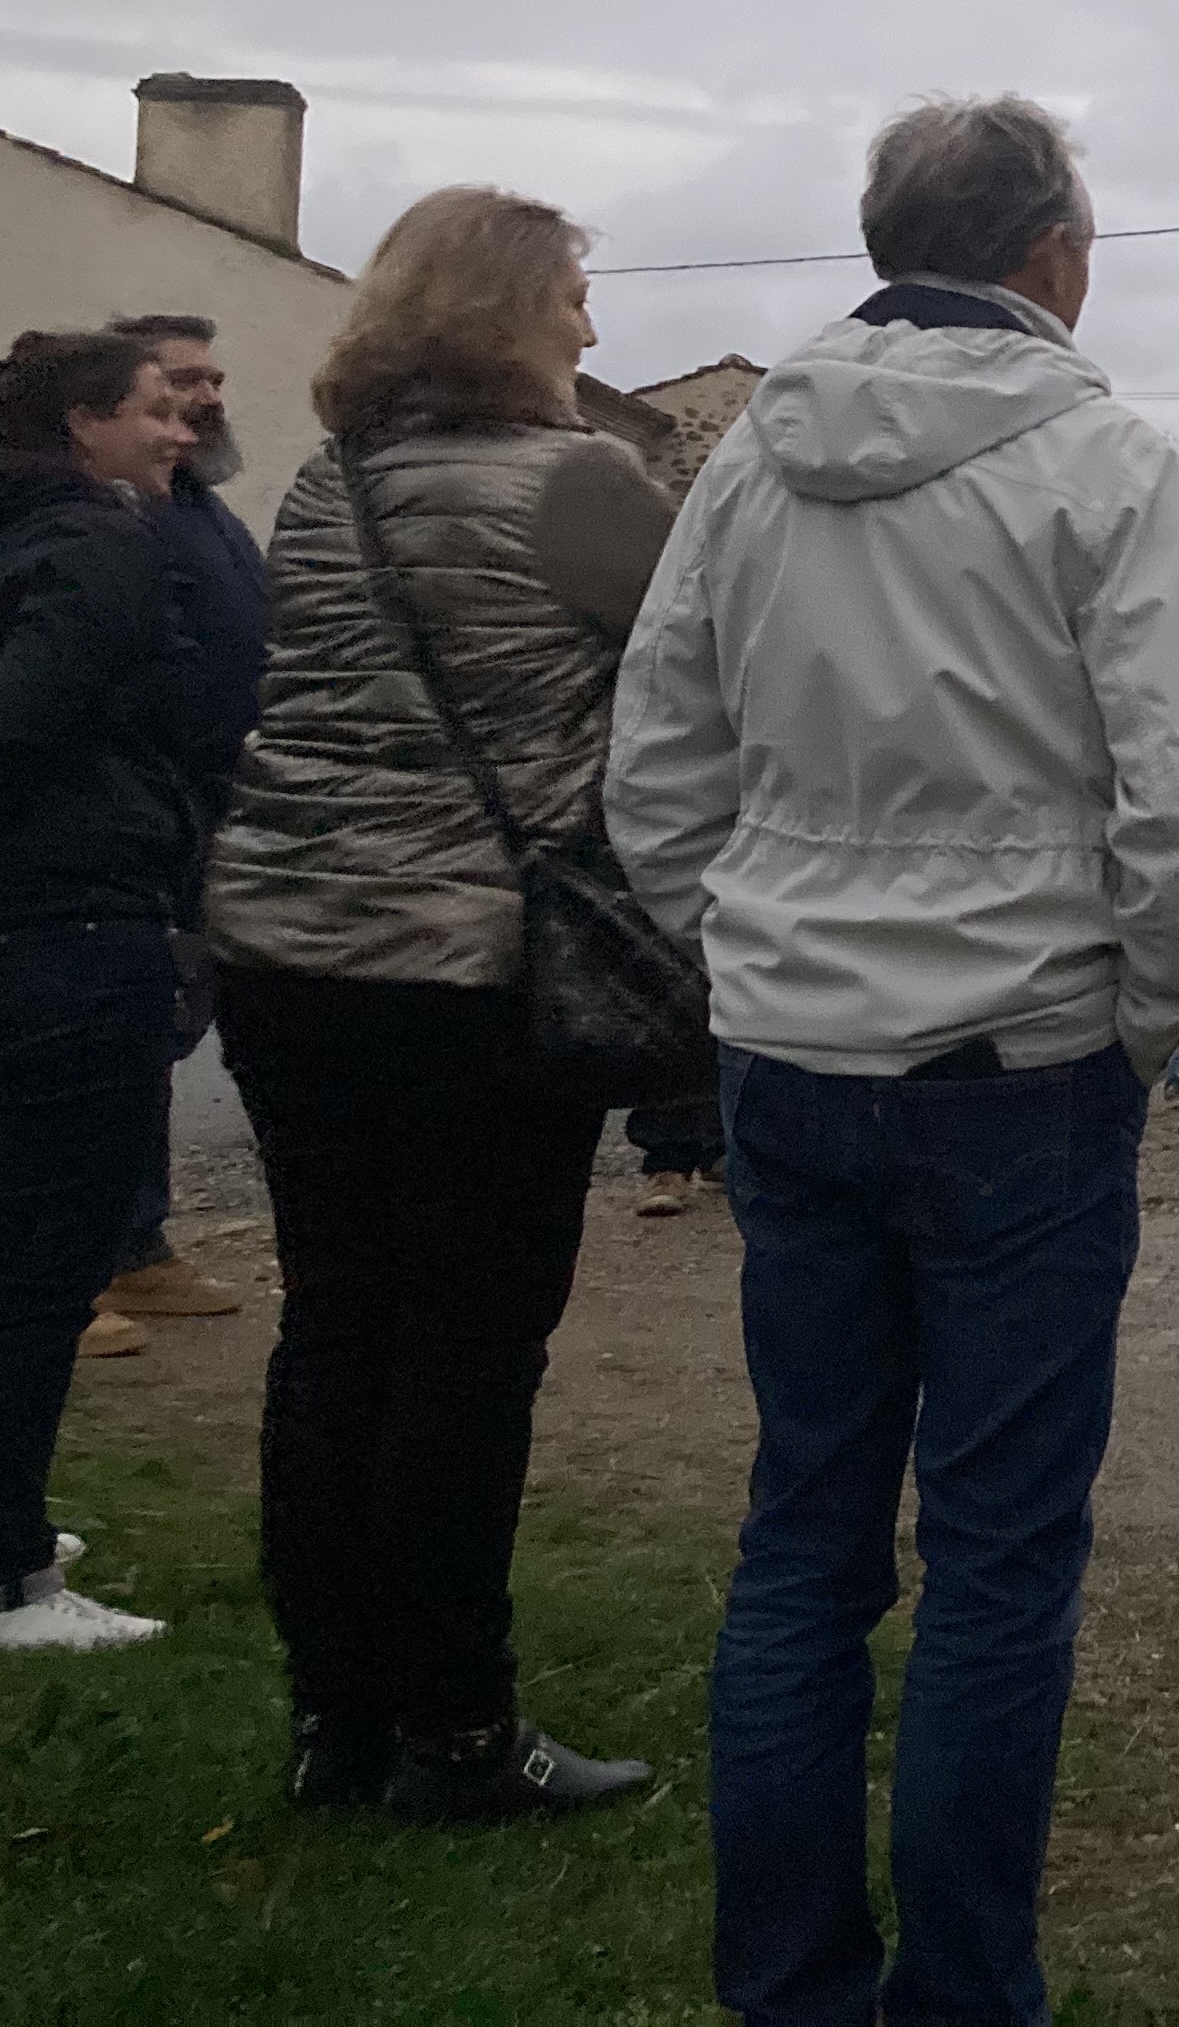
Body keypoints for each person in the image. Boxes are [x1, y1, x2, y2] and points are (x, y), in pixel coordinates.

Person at [609, 95, 1179, 2027]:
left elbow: (655, 766)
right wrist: (1142, 1014)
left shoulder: (750, 462)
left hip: (795, 1060)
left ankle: (791, 1988)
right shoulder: (1100, 456)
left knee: (803, 1535)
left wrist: (750, 952)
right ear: (1053, 248)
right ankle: (965, 1994)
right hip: (1022, 1068)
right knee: (993, 1562)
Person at [200, 191, 676, 1809]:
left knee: (335, 1331)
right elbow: (704, 670)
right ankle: (459, 1729)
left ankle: (336, 1718)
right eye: (572, 293)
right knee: (466, 1355)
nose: (591, 328)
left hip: (281, 949)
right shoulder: (579, 482)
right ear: (506, 307)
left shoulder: (328, 484)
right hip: (469, 964)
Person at [0, 330, 203, 1651]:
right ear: (83, 426)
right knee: (41, 1262)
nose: (179, 431)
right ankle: (17, 1579)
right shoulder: (106, 540)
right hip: (73, 921)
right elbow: (31, 714)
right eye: (154, 412)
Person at [89, 313, 268, 1335]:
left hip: (205, 805)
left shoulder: (200, 506)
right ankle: (72, 1262)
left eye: (212, 380)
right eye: (180, 386)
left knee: (157, 1027)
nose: (205, 404)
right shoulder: (109, 513)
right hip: (135, 809)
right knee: (99, 1036)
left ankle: (134, 1244)